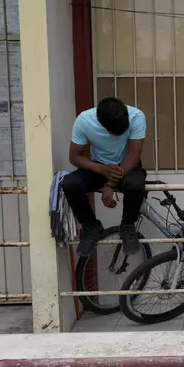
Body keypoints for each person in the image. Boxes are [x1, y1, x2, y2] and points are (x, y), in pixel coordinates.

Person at [61, 97, 147, 257]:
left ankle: (128, 227)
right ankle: (91, 227)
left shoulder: (136, 117)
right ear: (101, 123)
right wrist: (101, 169)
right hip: (98, 167)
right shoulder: (84, 121)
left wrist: (110, 184)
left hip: (127, 167)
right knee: (69, 184)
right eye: (117, 132)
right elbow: (74, 157)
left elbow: (134, 156)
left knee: (135, 184)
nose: (121, 133)